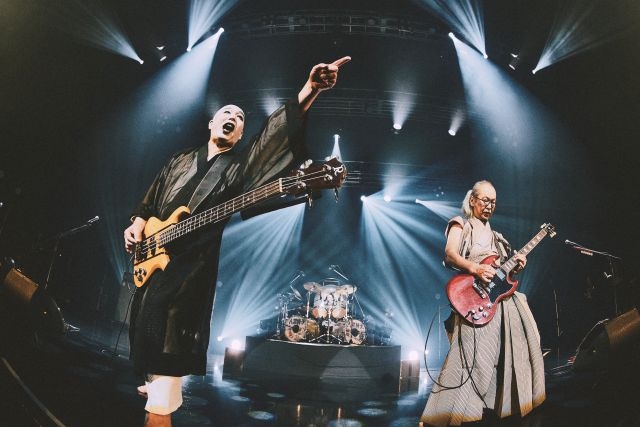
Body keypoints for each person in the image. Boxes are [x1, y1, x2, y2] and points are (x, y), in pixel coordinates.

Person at [123, 56, 351, 426]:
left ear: (241, 135)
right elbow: (149, 204)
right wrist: (136, 224)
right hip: (152, 272)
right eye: (226, 112)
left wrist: (310, 90)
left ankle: (160, 396)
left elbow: (272, 141)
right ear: (212, 123)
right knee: (150, 356)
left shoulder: (237, 169)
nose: (232, 117)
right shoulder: (178, 160)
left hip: (186, 282)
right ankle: (154, 386)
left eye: (240, 117)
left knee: (165, 367)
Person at [421, 180, 545, 426]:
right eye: (485, 200)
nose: (490, 206)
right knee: (471, 356)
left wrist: (516, 267)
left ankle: (506, 404)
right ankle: (450, 414)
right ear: (472, 200)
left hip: (499, 300)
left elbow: (503, 275)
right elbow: (450, 255)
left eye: (493, 202)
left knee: (517, 343)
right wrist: (475, 268)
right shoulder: (461, 224)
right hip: (474, 297)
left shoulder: (498, 238)